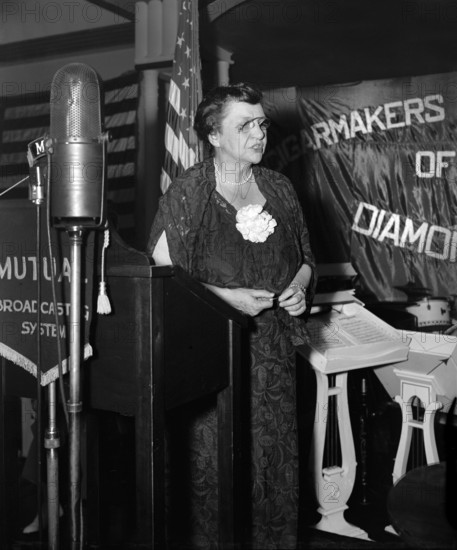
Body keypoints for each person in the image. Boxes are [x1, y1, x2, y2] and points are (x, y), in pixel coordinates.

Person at [147, 82, 316, 549]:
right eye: (245, 125)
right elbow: (159, 276)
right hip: (213, 367)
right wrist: (226, 298)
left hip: (275, 365)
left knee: (272, 468)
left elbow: (305, 258)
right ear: (214, 135)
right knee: (215, 474)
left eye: (262, 123)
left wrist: (299, 289)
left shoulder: (280, 188)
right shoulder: (188, 194)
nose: (260, 134)